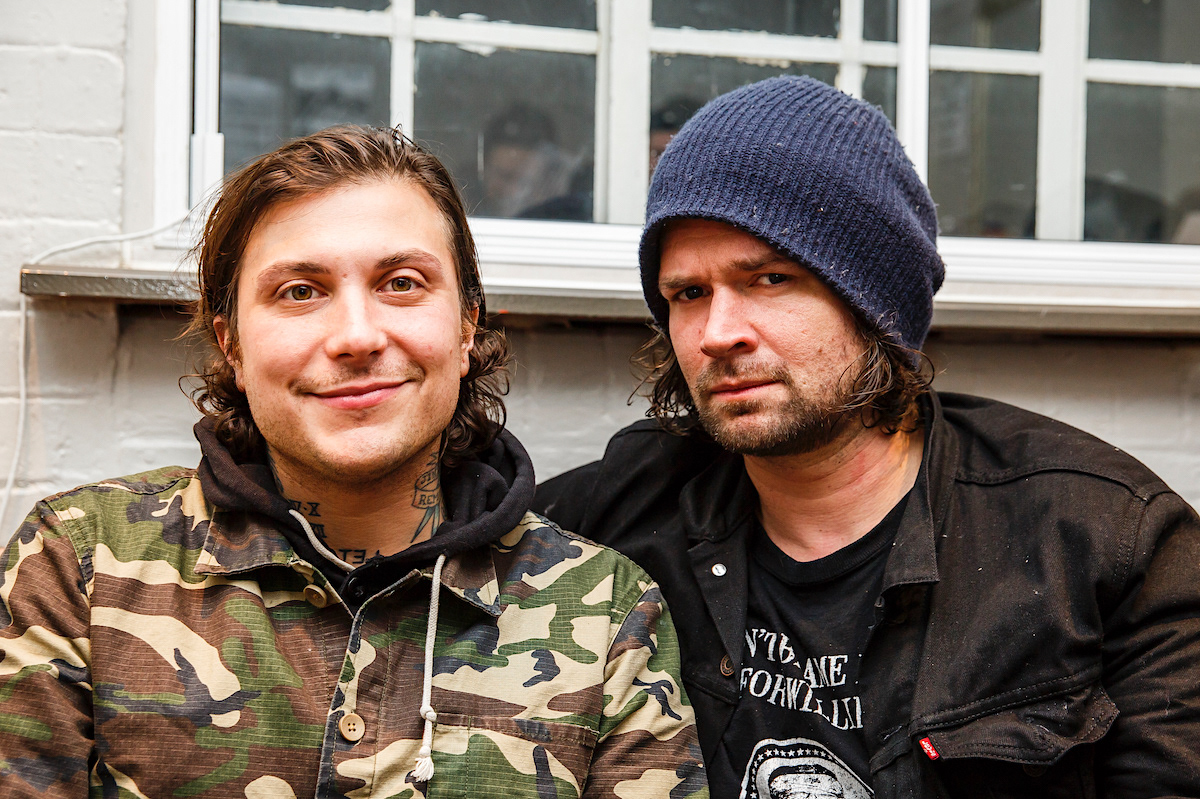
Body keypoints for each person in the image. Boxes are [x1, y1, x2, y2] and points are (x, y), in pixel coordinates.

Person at [535, 77, 1200, 797]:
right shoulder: (621, 510)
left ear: (874, 305)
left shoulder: (1104, 542)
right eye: (688, 293)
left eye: (770, 279)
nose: (717, 333)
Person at [0, 126, 706, 798]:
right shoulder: (83, 564)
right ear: (232, 344)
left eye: (401, 282)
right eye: (299, 291)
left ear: (466, 325)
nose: (357, 336)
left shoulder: (606, 612)